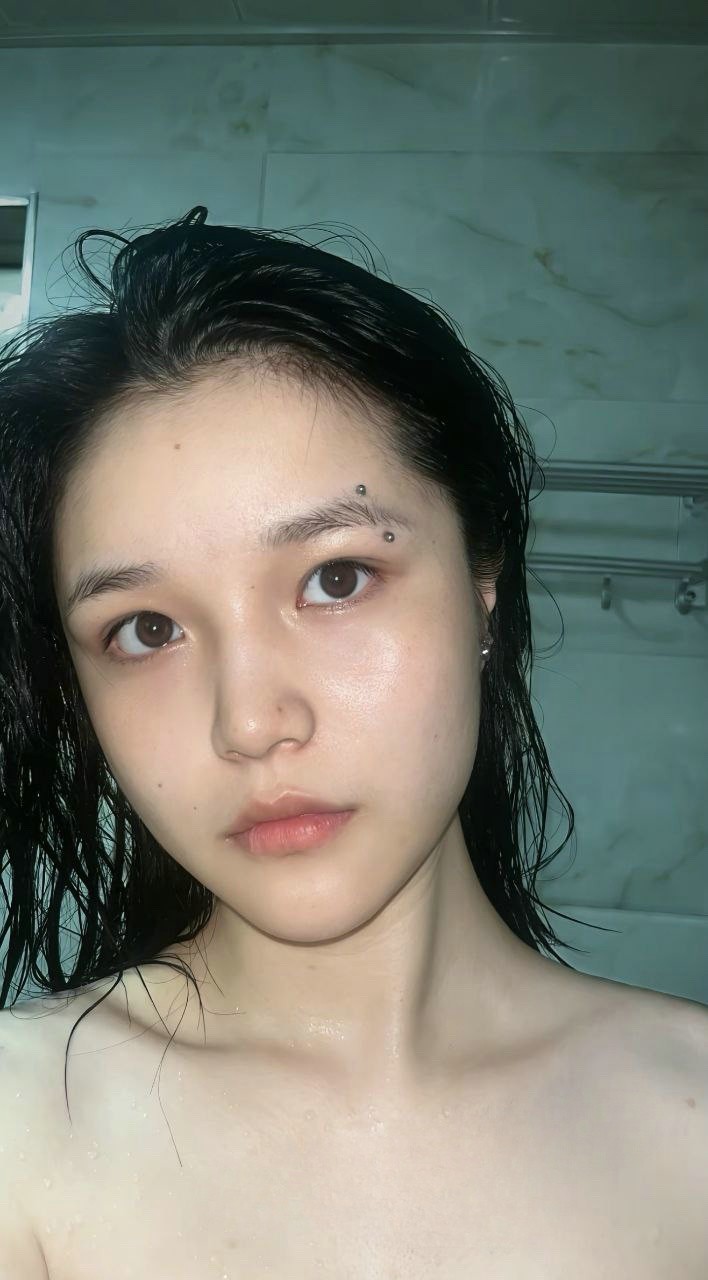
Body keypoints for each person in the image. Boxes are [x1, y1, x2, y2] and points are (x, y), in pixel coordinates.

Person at [0, 206, 705, 1278]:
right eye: (146, 630)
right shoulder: (24, 1136)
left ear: (482, 584)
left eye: (336, 578)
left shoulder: (687, 1127)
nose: (250, 722)